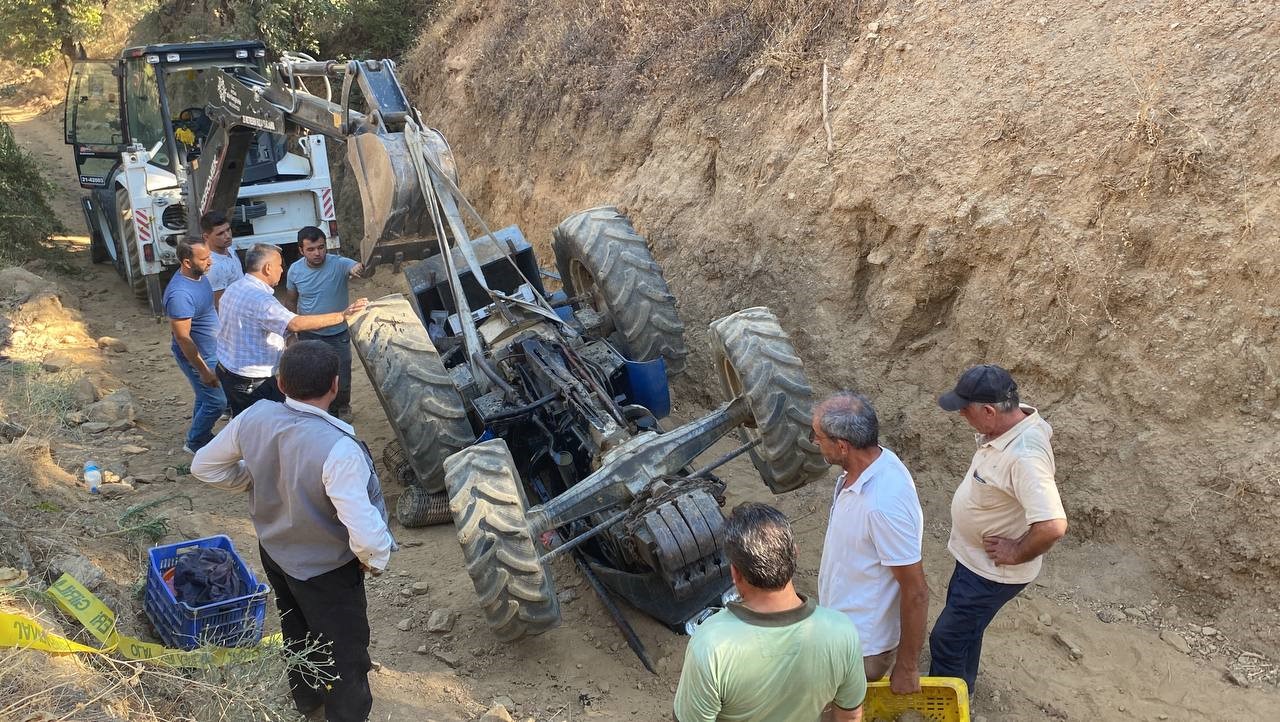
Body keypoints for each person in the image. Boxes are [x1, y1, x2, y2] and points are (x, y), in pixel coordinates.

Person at [191, 340, 394, 722]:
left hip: (276, 554)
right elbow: (364, 530)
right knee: (347, 658)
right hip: (327, 571)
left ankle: (308, 702)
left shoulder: (255, 417)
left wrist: (253, 478)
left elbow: (204, 466)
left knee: (296, 629)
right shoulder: (339, 448)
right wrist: (375, 560)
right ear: (335, 385)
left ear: (281, 383)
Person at [931, 364, 1069, 693]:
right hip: (974, 563)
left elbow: (1052, 525)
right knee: (966, 631)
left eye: (966, 410)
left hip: (990, 575)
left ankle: (944, 706)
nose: (963, 416)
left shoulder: (1024, 456)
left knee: (946, 639)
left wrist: (1017, 550)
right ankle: (963, 688)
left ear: (990, 411)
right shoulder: (1006, 432)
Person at [674, 502, 867, 722]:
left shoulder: (711, 645)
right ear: (795, 555)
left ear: (735, 574)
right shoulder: (841, 631)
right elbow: (850, 716)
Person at [813, 391, 928, 696]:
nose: (814, 442)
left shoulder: (883, 503)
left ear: (842, 445)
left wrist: (907, 667)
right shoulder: (863, 472)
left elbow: (915, 591)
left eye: (818, 436)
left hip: (862, 646)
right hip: (842, 630)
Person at [215, 243, 368, 417]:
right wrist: (343, 315)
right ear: (267, 268)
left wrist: (289, 339)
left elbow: (268, 323)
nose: (282, 270)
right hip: (252, 383)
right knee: (266, 430)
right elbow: (294, 323)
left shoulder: (236, 288)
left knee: (250, 423)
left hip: (230, 373)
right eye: (280, 265)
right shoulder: (260, 300)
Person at [284, 226, 364, 419]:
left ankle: (342, 407)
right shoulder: (295, 271)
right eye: (311, 249)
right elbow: (291, 301)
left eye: (321, 247)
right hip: (309, 334)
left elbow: (356, 268)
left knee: (342, 373)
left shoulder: (339, 263)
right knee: (312, 373)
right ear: (301, 250)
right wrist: (290, 333)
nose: (317, 253)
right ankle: (318, 410)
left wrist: (359, 268)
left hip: (338, 333)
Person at [162, 240, 227, 453]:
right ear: (187, 262)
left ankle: (201, 434)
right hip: (197, 356)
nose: (210, 262)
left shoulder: (199, 278)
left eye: (209, 256)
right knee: (217, 402)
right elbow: (182, 338)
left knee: (204, 396)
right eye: (204, 258)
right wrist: (203, 370)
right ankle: (195, 441)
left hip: (211, 351)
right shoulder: (180, 294)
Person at [200, 210, 242, 310]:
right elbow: (220, 306)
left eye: (228, 230)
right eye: (220, 233)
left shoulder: (229, 249)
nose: (227, 236)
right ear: (206, 237)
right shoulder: (213, 267)